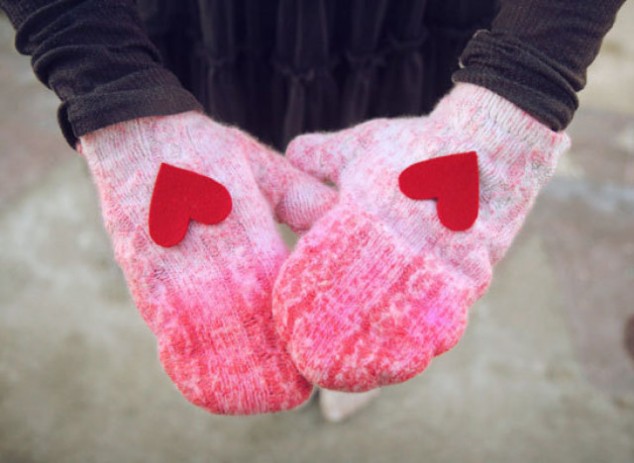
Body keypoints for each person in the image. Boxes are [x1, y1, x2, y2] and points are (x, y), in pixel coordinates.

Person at [0, 0, 626, 415]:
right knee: (231, 165)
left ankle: (340, 324)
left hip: (415, 19)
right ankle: (296, 302)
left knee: (390, 203)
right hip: (214, 21)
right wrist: (118, 98)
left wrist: (515, 100)